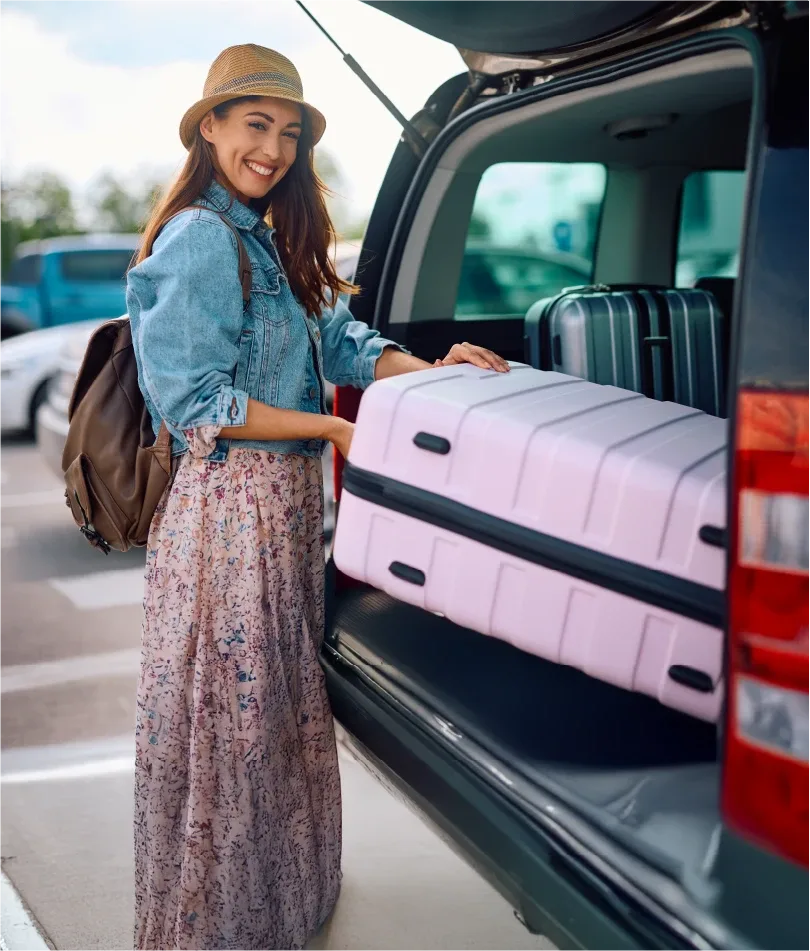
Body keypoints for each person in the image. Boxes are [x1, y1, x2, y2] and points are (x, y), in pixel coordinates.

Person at [127, 43, 509, 951]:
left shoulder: (271, 236)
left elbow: (341, 342)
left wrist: (435, 369)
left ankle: (275, 908)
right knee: (236, 724)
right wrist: (333, 429)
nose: (273, 149)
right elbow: (195, 402)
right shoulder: (199, 237)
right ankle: (220, 926)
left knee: (270, 717)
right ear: (210, 127)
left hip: (284, 511)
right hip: (229, 516)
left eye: (290, 134)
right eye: (256, 125)